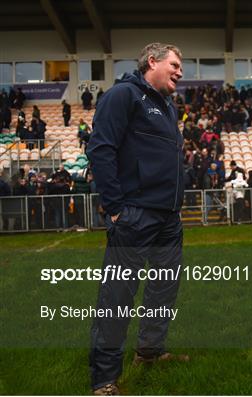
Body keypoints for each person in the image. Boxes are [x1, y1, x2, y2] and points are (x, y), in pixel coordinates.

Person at [86, 42, 186, 395]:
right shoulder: (123, 95)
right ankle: (104, 380)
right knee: (117, 296)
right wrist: (115, 207)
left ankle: (149, 352)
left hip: (168, 218)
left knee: (163, 288)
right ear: (152, 61)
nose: (180, 70)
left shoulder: (168, 107)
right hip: (134, 215)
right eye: (175, 63)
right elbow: (100, 148)